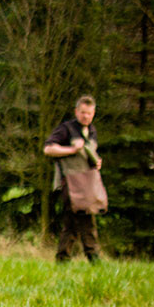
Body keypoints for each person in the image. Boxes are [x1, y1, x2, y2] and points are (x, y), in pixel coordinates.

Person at [44, 94, 103, 263]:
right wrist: (71, 150)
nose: (86, 116)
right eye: (83, 113)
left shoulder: (92, 131)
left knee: (72, 222)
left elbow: (90, 153)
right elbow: (48, 149)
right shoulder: (66, 129)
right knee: (85, 218)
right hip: (69, 182)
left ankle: (63, 258)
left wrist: (97, 162)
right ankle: (93, 257)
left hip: (87, 183)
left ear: (94, 113)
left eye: (90, 113)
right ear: (76, 112)